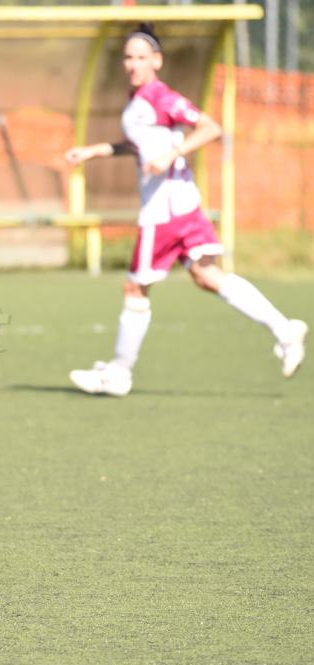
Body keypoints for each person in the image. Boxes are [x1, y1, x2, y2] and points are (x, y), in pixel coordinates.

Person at [66, 23, 307, 397]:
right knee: (207, 275)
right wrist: (95, 151)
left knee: (135, 288)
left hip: (163, 211)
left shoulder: (161, 97)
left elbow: (210, 128)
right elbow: (139, 145)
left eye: (141, 57)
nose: (133, 64)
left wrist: (171, 154)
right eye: (128, 57)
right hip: (184, 205)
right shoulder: (137, 100)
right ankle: (285, 330)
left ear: (157, 61)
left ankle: (119, 373)